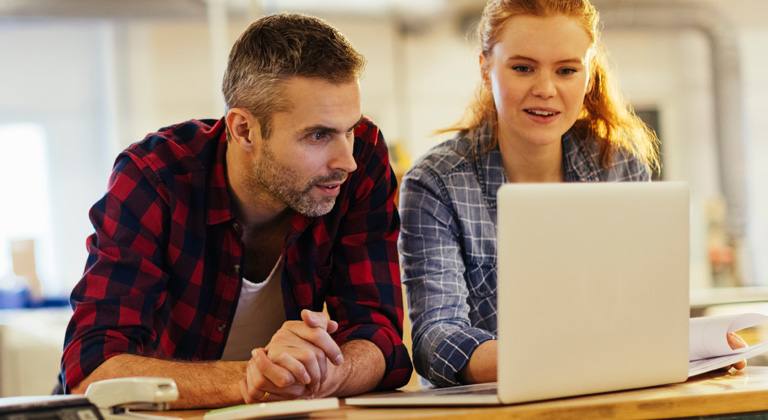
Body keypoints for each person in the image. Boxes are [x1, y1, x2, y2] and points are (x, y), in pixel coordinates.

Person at [60, 13, 412, 408]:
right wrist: (253, 377)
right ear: (244, 130)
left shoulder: (361, 158)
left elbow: (380, 337)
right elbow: (92, 371)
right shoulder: (154, 177)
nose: (346, 160)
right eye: (318, 135)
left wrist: (326, 372)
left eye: (349, 129)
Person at [398, 0, 746, 388]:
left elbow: (647, 315)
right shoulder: (435, 182)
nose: (545, 89)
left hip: (609, 403)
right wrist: (574, 355)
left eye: (566, 70)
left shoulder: (620, 167)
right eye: (523, 68)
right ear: (485, 68)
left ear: (588, 75)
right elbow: (435, 340)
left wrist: (695, 345)